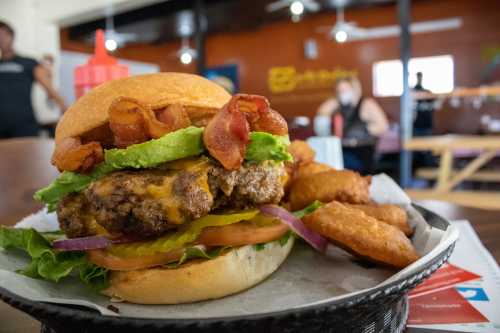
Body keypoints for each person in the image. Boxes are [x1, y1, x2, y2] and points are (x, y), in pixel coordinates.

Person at [0, 21, 66, 139]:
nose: (1, 39)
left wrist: (65, 108)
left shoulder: (28, 62)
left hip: (24, 125)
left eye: (4, 34)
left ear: (12, 36)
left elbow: (49, 88)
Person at [316, 76, 388, 174]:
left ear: (354, 89)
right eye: (339, 91)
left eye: (345, 90)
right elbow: (321, 112)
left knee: (333, 165)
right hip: (342, 149)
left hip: (361, 152)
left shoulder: (367, 104)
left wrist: (365, 129)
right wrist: (335, 101)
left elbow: (383, 126)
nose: (342, 93)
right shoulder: (339, 104)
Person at [412, 72, 435, 136]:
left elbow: (434, 105)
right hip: (416, 125)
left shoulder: (427, 92)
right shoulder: (413, 92)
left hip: (426, 125)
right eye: (418, 77)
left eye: (420, 77)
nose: (419, 78)